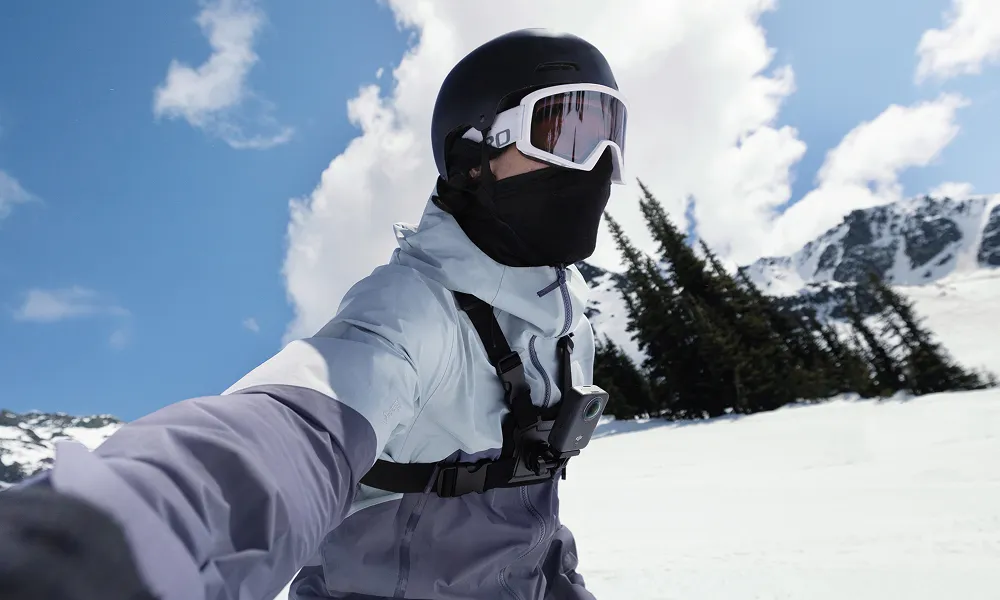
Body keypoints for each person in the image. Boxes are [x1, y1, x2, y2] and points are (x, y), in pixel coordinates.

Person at [0, 28, 629, 600]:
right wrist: (117, 539)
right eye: (565, 133)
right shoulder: (415, 309)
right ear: (473, 155)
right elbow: (299, 425)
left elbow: (529, 532)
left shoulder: (564, 326)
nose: (598, 162)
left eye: (610, 133)